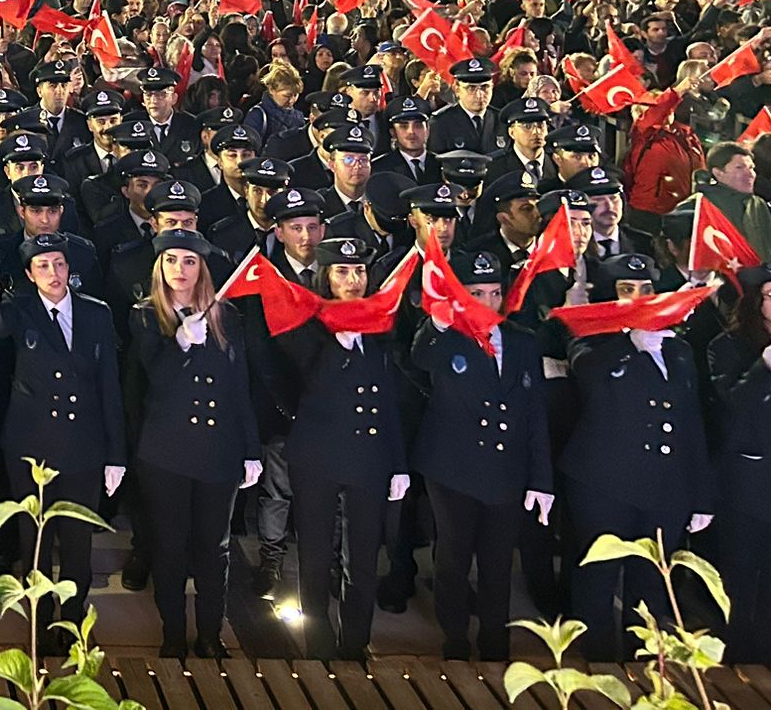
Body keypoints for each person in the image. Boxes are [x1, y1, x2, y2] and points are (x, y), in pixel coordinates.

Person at [562, 253, 714, 660]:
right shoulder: (591, 342)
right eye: (627, 290)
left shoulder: (677, 349)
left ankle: (643, 670)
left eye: (647, 290)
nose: (640, 298)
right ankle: (596, 670)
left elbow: (690, 421)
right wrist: (629, 343)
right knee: (597, 581)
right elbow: (590, 377)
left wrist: (701, 495)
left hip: (664, 489)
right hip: (603, 488)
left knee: (651, 586)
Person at [0, 231, 125, 650]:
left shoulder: (96, 313)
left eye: (59, 264)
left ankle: (73, 623)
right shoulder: (19, 308)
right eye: (43, 266)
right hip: (31, 446)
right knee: (35, 542)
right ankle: (39, 626)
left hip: (83, 445)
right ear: (29, 273)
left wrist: (115, 454)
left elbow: (109, 387)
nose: (53, 272)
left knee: (77, 545)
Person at [410, 248, 554, 660]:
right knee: (453, 559)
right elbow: (420, 355)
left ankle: (495, 641)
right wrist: (437, 321)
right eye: (477, 292)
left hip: (506, 470)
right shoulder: (446, 336)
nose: (487, 302)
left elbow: (535, 415)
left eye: (494, 292)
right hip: (452, 470)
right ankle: (454, 638)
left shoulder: (523, 342)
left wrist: (541, 480)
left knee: (497, 564)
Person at [125, 230, 261, 659]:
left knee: (214, 550)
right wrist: (181, 342)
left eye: (189, 261)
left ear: (202, 267)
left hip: (218, 451)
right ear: (159, 267)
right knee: (169, 546)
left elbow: (240, 388)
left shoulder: (227, 316)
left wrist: (251, 449)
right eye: (171, 261)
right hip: (167, 453)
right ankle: (172, 635)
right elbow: (156, 381)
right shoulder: (146, 316)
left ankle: (209, 634)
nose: (179, 270)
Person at [280, 237, 407, 661]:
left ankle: (355, 643)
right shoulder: (307, 324)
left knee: (364, 559)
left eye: (359, 272)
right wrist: (341, 339)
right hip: (317, 456)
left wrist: (399, 463)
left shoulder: (379, 326)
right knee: (315, 556)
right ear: (325, 277)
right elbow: (301, 383)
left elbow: (390, 400)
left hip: (369, 459)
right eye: (342, 272)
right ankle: (317, 643)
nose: (353, 281)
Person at [705, 262, 771, 662]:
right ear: (755, 302)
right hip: (745, 487)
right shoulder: (727, 346)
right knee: (738, 580)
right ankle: (735, 662)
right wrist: (765, 368)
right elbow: (731, 405)